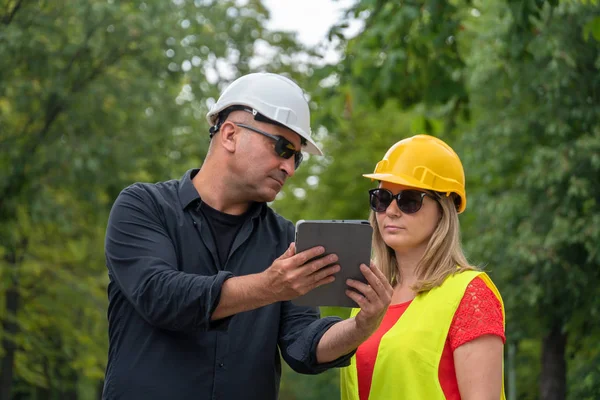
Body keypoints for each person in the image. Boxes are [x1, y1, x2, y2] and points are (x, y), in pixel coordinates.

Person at [102, 72, 393, 400]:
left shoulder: (283, 237)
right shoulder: (144, 206)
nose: (290, 168)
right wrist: (268, 287)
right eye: (283, 148)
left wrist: (359, 328)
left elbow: (301, 344)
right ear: (229, 135)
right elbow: (159, 296)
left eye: (296, 157)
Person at [340, 134, 506, 400]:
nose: (391, 211)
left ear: (443, 209)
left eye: (409, 200)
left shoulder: (470, 294)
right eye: (382, 198)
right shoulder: (369, 296)